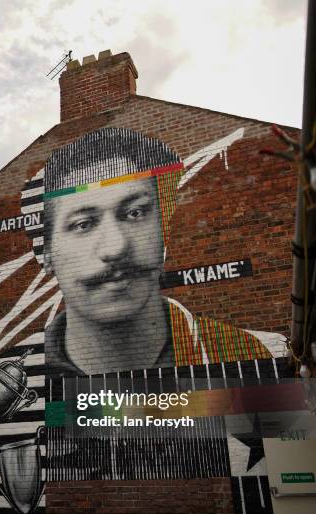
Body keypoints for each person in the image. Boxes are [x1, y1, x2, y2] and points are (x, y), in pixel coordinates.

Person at [22, 127, 286, 376]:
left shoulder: (262, 353)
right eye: (84, 224)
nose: (116, 247)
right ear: (46, 253)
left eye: (135, 213)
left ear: (164, 228)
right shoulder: (1, 382)